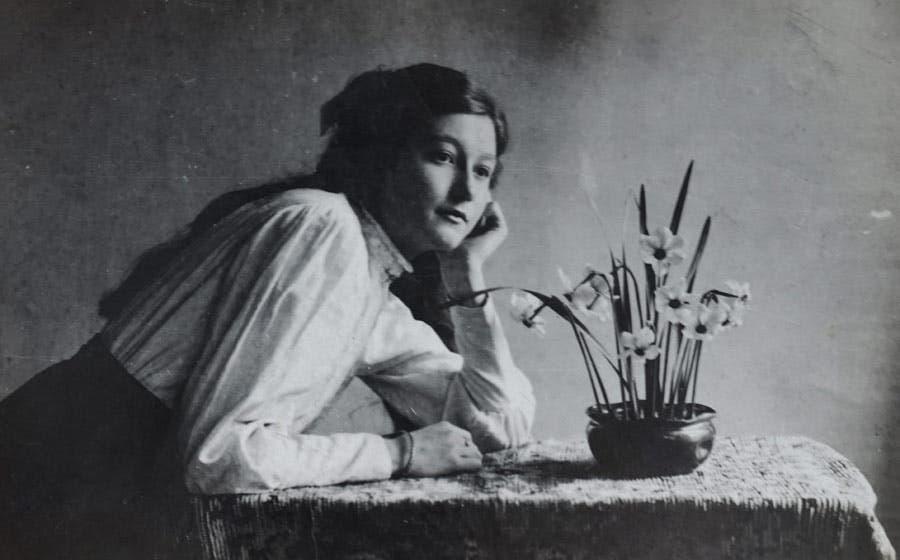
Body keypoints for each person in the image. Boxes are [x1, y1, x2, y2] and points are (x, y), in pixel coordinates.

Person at [0, 63, 534, 557]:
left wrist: (466, 275)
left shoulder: (369, 281)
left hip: (96, 497)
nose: (467, 191)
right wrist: (399, 455)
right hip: (46, 484)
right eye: (443, 157)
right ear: (384, 154)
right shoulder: (321, 230)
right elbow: (219, 458)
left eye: (483, 171)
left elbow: (494, 429)